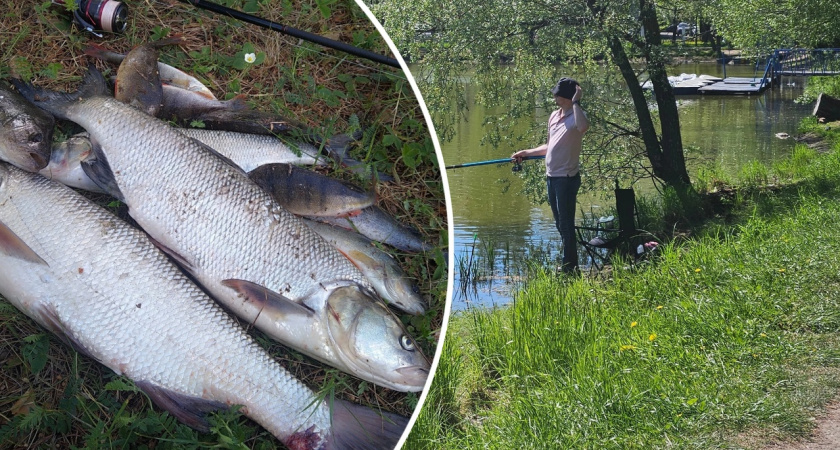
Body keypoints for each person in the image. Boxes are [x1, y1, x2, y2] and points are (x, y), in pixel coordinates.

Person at [511, 77, 589, 275]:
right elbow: (549, 146)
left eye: (558, 94)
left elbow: (583, 128)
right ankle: (569, 264)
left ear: (567, 97)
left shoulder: (576, 116)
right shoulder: (554, 116)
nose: (554, 97)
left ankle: (570, 267)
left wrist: (577, 102)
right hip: (551, 177)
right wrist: (525, 152)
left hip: (567, 178)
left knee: (566, 223)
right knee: (559, 223)